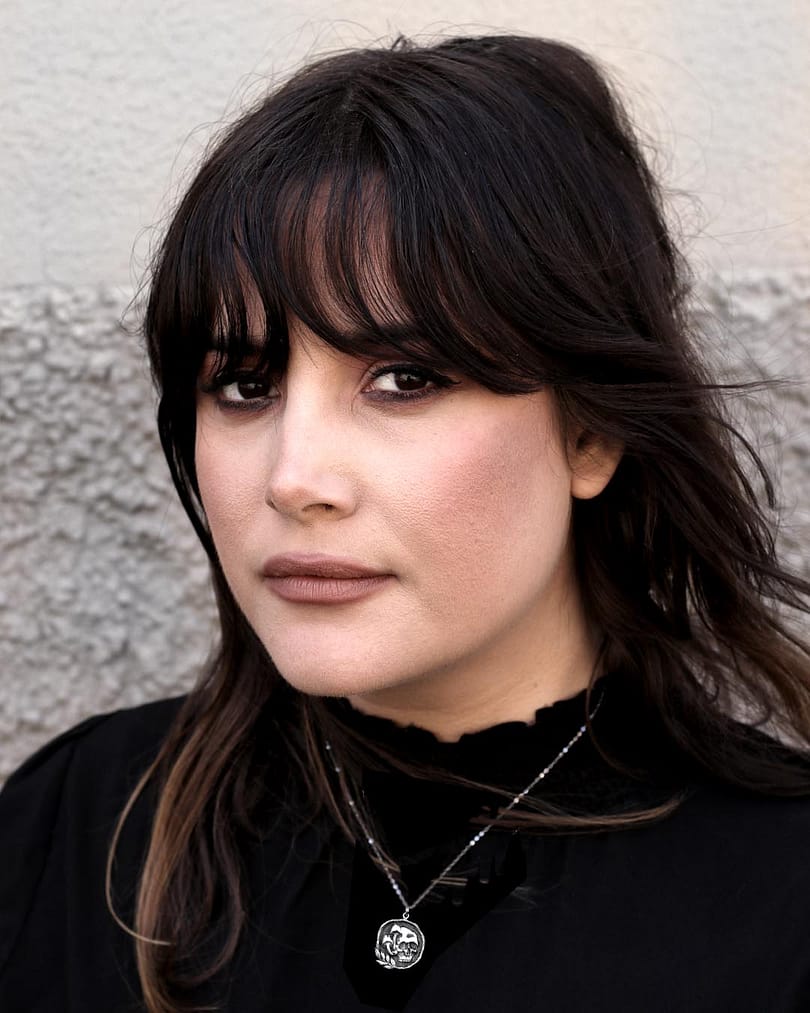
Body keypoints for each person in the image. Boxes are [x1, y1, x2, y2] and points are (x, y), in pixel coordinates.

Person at [1, 32, 809, 1013]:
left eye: (404, 379)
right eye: (245, 384)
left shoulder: (776, 893)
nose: (295, 478)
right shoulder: (78, 833)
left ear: (590, 430)